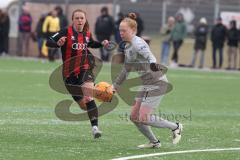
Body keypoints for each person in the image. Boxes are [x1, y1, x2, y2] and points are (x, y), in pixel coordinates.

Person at [112, 13, 183, 148]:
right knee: (134, 116)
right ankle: (154, 142)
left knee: (143, 117)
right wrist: (114, 86)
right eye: (120, 30)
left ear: (133, 30)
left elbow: (151, 57)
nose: (121, 33)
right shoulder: (128, 47)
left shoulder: (138, 43)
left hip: (156, 82)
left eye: (124, 30)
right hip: (146, 83)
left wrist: (152, 65)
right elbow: (126, 70)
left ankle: (176, 126)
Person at [46, 9, 109, 139]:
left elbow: (91, 43)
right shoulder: (65, 31)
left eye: (82, 18)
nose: (80, 20)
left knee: (88, 96)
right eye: (77, 18)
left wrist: (101, 44)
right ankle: (94, 98)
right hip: (69, 74)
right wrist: (57, 43)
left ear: (85, 20)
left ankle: (95, 127)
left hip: (84, 69)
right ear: (73, 20)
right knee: (83, 105)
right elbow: (48, 41)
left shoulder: (87, 33)